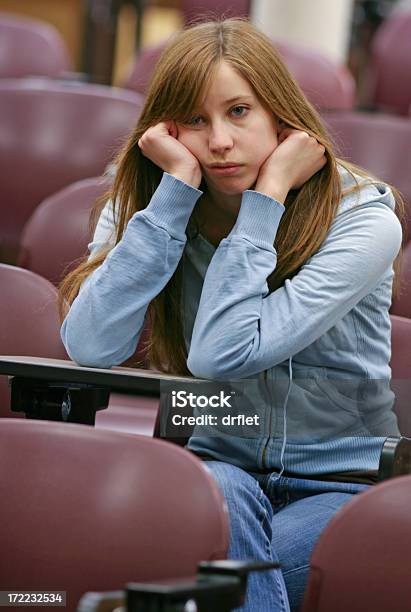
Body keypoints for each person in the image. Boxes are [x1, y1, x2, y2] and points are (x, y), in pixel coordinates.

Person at [59, 19, 405, 612]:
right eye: (194, 120)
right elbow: (90, 345)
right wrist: (171, 202)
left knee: (219, 576)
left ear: (280, 113)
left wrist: (266, 199)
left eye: (239, 111)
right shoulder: (149, 199)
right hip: (219, 461)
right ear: (164, 129)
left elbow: (223, 353)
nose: (218, 141)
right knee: (218, 513)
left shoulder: (362, 217)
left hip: (343, 481)